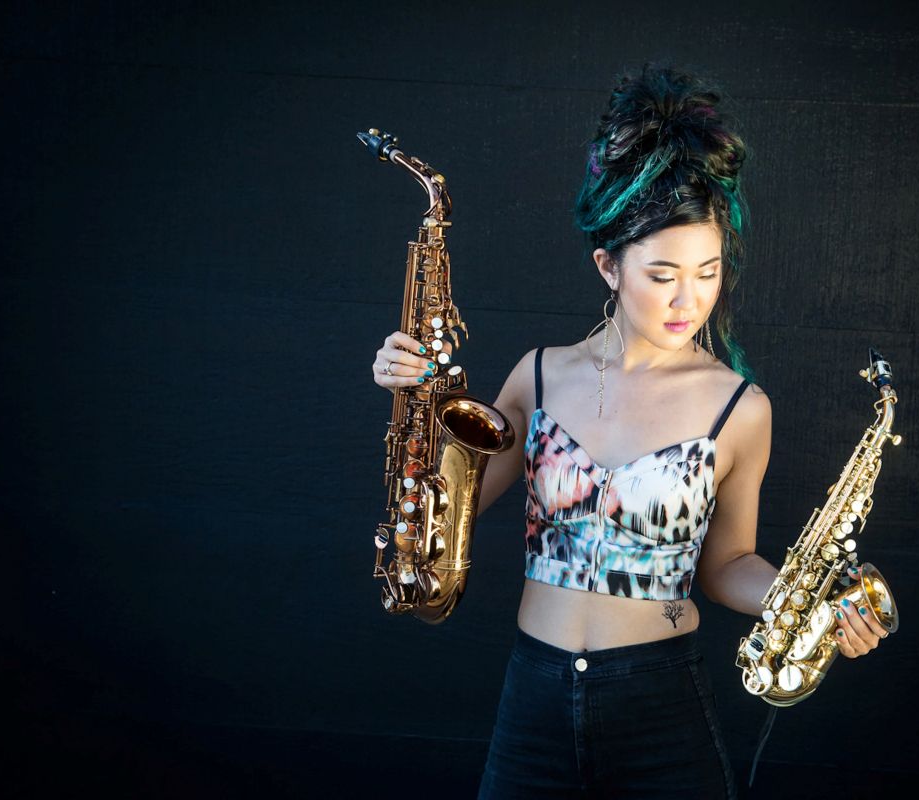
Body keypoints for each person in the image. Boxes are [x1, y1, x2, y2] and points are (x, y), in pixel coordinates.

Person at [371, 62, 891, 799]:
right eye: (663, 275)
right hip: (535, 698)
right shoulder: (539, 376)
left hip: (662, 708)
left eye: (708, 272)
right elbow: (446, 513)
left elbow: (725, 564)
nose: (689, 301)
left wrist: (808, 599)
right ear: (608, 267)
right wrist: (416, 394)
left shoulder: (739, 407)